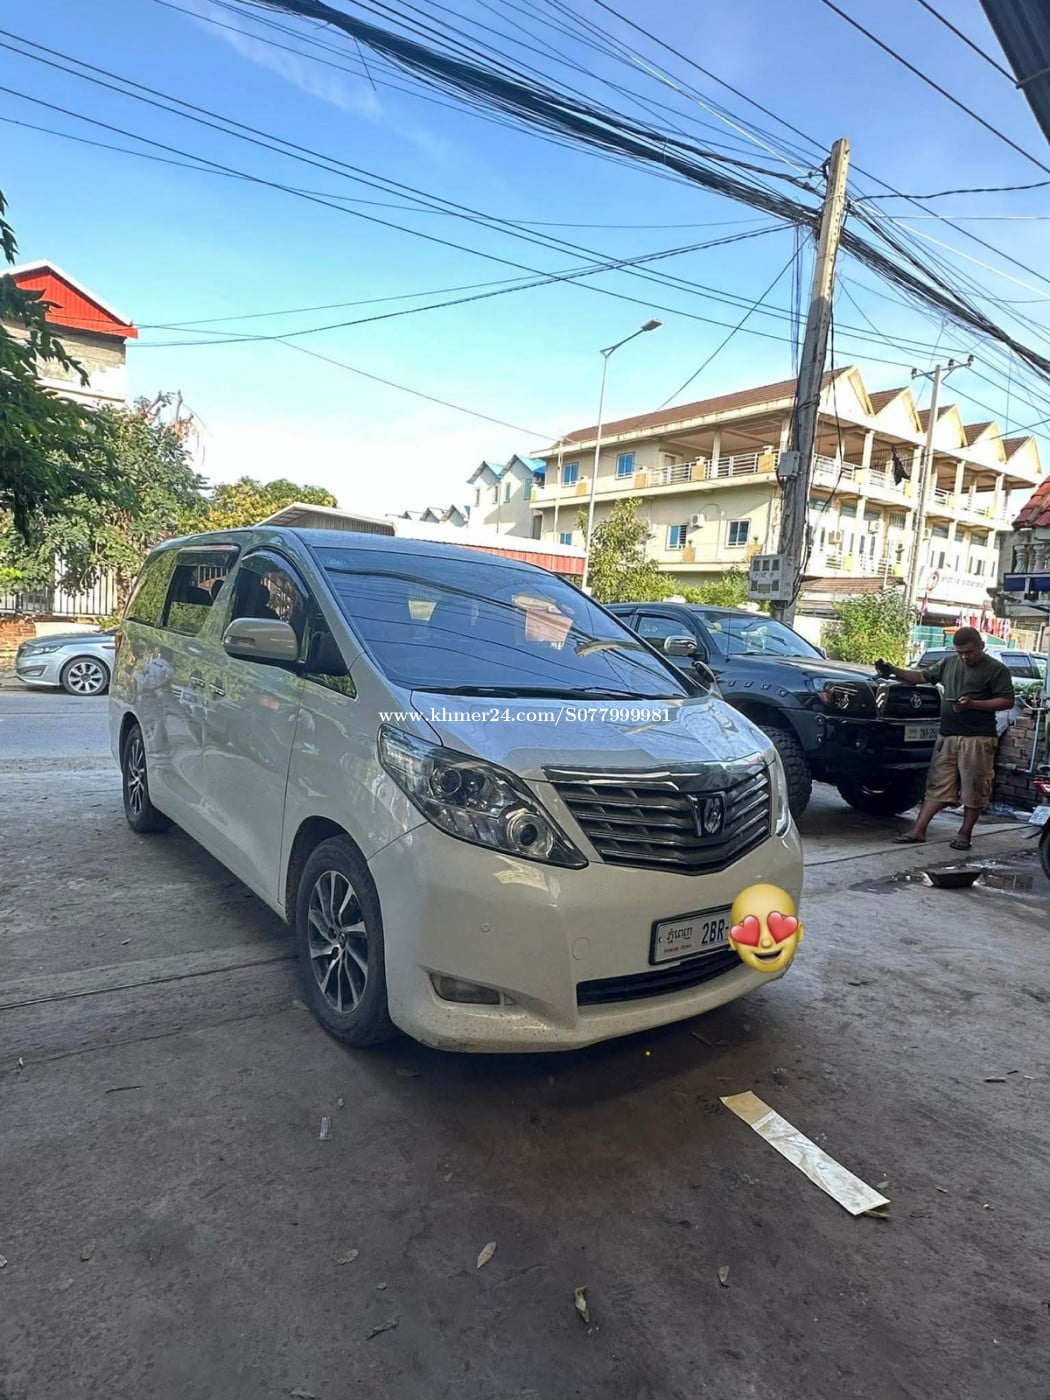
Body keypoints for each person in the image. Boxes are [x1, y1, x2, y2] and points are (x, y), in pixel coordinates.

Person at [875, 627, 1014, 851]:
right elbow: (920, 677)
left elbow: (1007, 701)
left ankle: (964, 834)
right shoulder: (949, 663)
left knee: (974, 787)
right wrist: (892, 669)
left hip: (977, 738)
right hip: (948, 734)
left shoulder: (997, 669)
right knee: (938, 784)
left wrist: (973, 704)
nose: (964, 656)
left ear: (981, 646)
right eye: (960, 652)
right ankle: (918, 830)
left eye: (969, 652)